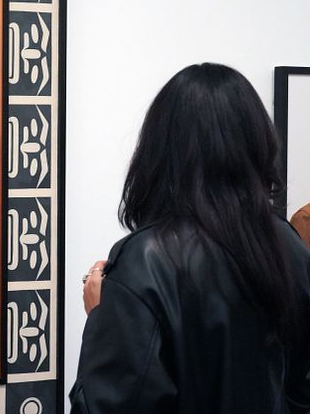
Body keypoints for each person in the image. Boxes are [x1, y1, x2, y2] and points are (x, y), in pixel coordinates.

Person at [70, 63, 310, 413]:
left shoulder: (145, 261)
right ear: (259, 144)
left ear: (158, 150)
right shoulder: (288, 246)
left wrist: (99, 316)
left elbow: (107, 405)